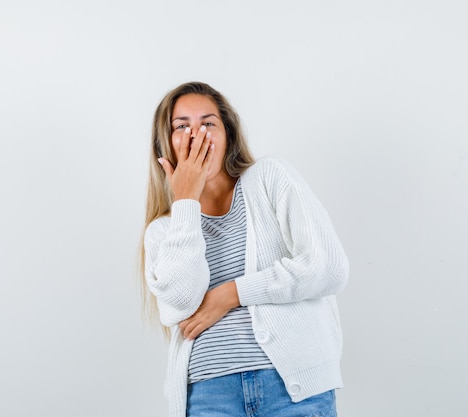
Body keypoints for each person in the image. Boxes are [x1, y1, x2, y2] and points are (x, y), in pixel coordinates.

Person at [140, 81, 349, 417]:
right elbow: (179, 304)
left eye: (208, 123)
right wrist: (186, 202)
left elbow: (328, 268)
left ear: (228, 136)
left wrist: (231, 293)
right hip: (209, 396)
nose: (197, 135)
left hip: (291, 392)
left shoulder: (269, 178)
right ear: (166, 145)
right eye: (182, 126)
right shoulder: (163, 229)